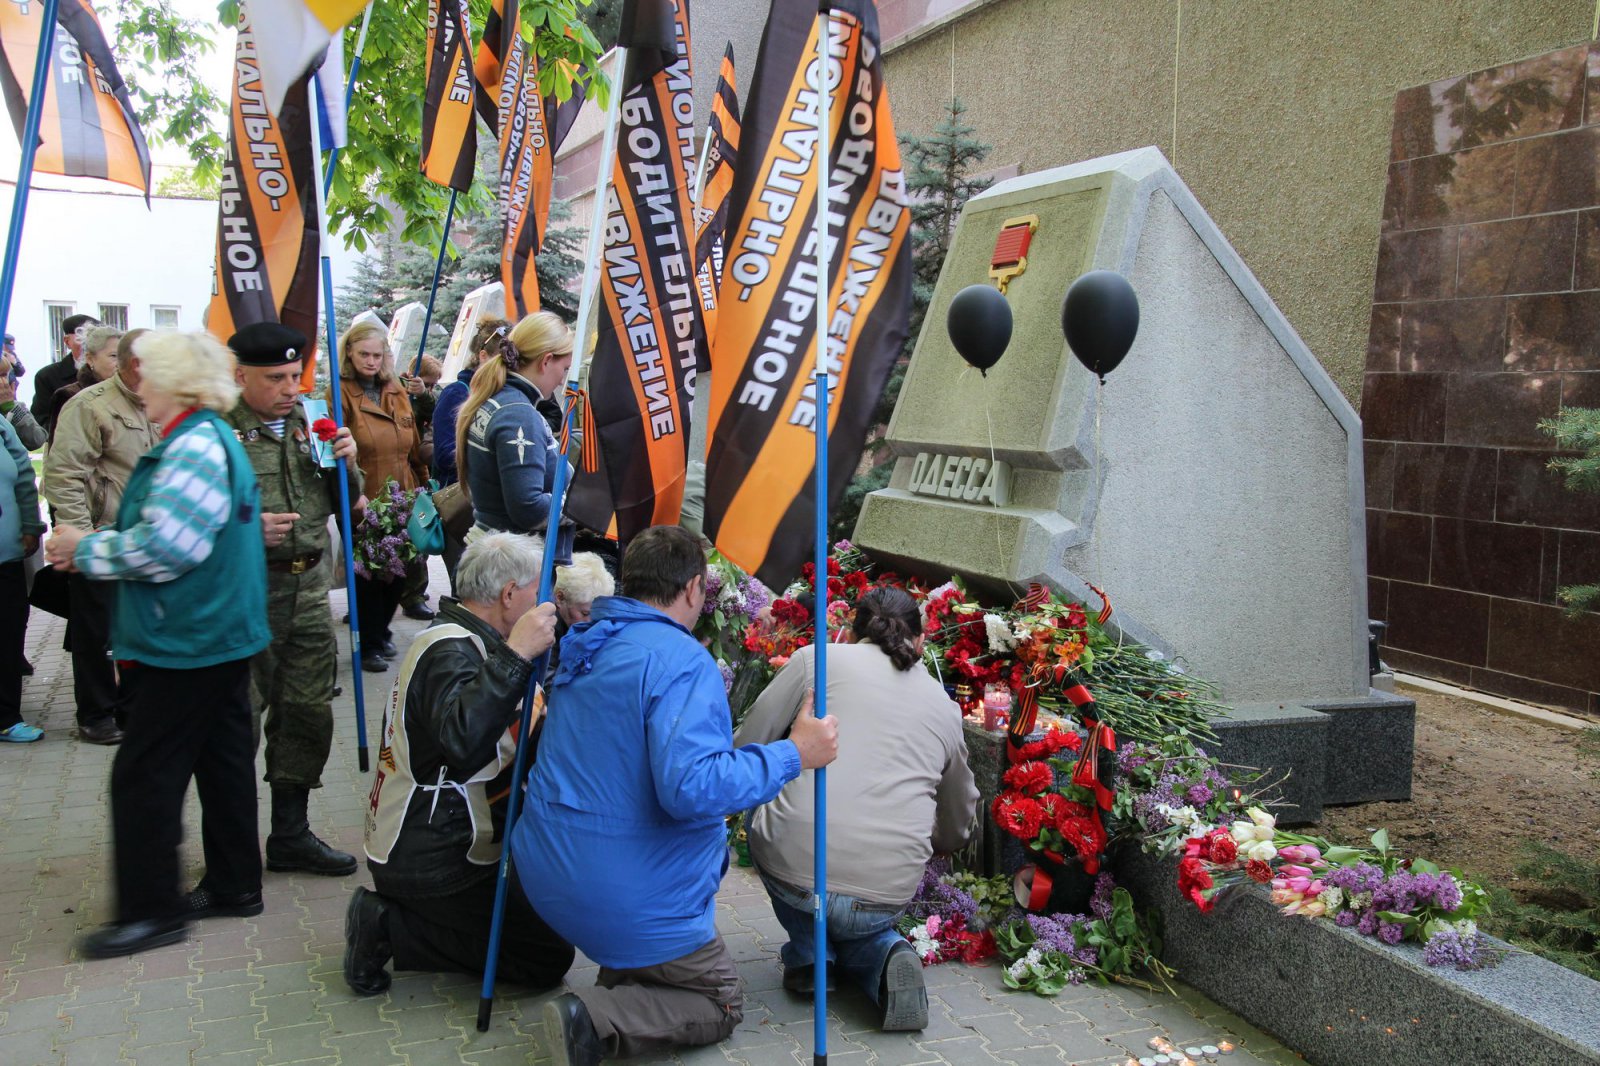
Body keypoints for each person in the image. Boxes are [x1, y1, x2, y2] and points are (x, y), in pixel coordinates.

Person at [513, 524, 839, 1065]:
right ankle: (593, 1020)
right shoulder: (681, 661)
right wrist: (795, 754)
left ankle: (627, 976)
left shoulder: (586, 640)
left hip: (546, 873)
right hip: (622, 892)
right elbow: (693, 787)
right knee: (720, 1000)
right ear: (693, 589)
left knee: (649, 937)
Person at [46, 329, 271, 958]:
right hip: (215, 632)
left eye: (149, 374)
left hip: (188, 638)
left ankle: (152, 912)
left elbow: (169, 548)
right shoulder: (207, 438)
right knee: (222, 760)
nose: (138, 383)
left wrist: (82, 547)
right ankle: (234, 884)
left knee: (145, 775)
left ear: (176, 382)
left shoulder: (194, 446)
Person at [733, 586, 979, 1030]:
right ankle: (883, 954)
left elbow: (746, 747)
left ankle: (810, 956)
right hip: (885, 890)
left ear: (851, 629)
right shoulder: (945, 707)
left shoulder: (816, 660)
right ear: (920, 641)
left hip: (796, 873)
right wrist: (939, 844)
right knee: (858, 919)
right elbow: (958, 820)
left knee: (763, 796)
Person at [345, 532, 574, 995]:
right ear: (510, 595)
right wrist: (517, 655)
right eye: (538, 592)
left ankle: (411, 919)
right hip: (435, 856)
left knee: (548, 908)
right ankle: (388, 926)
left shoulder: (465, 639)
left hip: (440, 838)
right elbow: (465, 745)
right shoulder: (451, 650)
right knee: (546, 956)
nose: (545, 605)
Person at [225, 322, 366, 882]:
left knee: (307, 712)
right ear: (240, 377)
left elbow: (344, 503)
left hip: (309, 592)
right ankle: (232, 844)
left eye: (294, 375)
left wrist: (347, 461)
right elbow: (182, 518)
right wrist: (241, 526)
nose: (289, 387)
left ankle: (290, 834)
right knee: (239, 718)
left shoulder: (312, 423)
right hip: (247, 593)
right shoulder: (216, 434)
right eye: (275, 378)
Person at [40, 328, 158, 745]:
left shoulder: (160, 402)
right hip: (100, 534)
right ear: (134, 365)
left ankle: (130, 707)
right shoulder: (90, 405)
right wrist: (80, 537)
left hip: (145, 540)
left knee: (135, 628)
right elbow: (63, 475)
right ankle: (96, 713)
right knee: (96, 632)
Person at [331, 323, 428, 671]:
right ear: (349, 354)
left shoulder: (395, 389)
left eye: (377, 354)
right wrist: (349, 494)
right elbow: (332, 453)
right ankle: (369, 641)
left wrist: (424, 486)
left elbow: (414, 444)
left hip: (402, 495)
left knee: (399, 572)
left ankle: (382, 630)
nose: (371, 361)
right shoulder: (339, 393)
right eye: (364, 354)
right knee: (369, 576)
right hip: (363, 497)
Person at [457, 312, 575, 567]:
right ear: (546, 361)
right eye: (564, 369)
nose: (562, 380)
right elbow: (528, 509)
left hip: (498, 555)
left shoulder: (499, 399)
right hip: (512, 568)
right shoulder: (518, 414)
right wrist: (582, 503)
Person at [0, 412, 44, 742]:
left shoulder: (2, 427)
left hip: (6, 554)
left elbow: (24, 477)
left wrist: (30, 525)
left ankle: (6, 716)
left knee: (9, 629)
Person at [432, 318, 505, 488]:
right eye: (502, 361)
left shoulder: (503, 393)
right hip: (459, 498)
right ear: (483, 356)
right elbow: (444, 455)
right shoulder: (456, 393)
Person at [47, 324, 122, 442]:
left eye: (123, 357)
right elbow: (63, 451)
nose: (120, 363)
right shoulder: (70, 395)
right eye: (113, 356)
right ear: (90, 359)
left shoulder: (128, 394)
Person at [31, 312, 100, 429]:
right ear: (67, 341)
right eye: (83, 338)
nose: (90, 346)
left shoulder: (108, 373)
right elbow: (42, 421)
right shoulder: (48, 376)